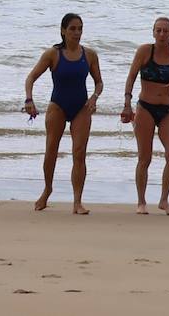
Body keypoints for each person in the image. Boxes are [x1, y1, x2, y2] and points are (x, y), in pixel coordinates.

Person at [23, 13, 103, 214]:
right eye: (73, 28)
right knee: (51, 151)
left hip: (81, 108)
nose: (77, 32)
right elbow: (31, 77)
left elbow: (99, 82)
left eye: (80, 28)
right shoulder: (53, 54)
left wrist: (94, 97)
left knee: (79, 153)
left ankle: (77, 202)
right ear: (63, 31)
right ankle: (47, 190)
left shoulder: (90, 55)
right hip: (58, 106)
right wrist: (29, 99)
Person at [120, 16, 169, 214]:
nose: (162, 34)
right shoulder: (145, 51)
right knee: (145, 158)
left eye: (166, 31)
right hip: (145, 108)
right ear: (153, 32)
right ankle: (141, 202)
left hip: (167, 109)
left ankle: (164, 200)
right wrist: (127, 104)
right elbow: (131, 78)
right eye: (158, 30)